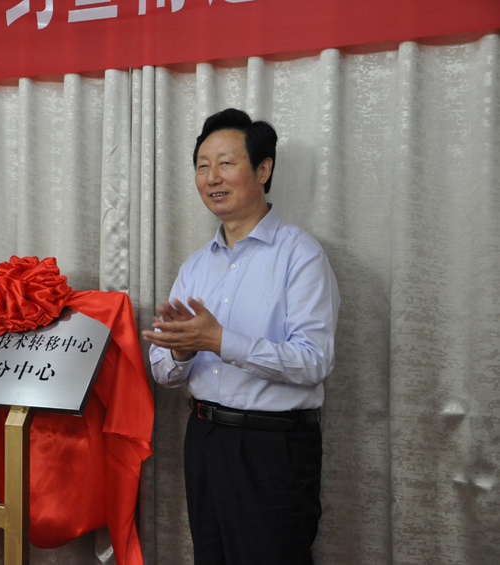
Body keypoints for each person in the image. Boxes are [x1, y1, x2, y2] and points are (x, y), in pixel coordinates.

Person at [142, 109, 340, 565]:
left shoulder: (301, 256)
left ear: (263, 169)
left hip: (273, 448)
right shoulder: (196, 265)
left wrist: (219, 340)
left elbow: (314, 361)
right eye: (202, 166)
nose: (212, 177)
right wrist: (180, 351)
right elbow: (164, 374)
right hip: (204, 438)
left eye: (226, 163)